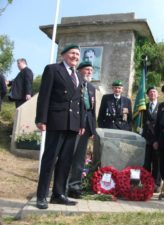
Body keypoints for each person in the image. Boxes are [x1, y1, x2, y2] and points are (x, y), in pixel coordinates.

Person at [35, 44, 85, 209]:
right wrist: (41, 119)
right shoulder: (52, 69)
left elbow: (80, 102)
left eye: (77, 54)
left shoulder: (78, 74)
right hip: (56, 121)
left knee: (65, 161)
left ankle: (58, 194)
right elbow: (44, 95)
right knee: (50, 159)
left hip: (73, 123)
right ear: (63, 54)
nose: (75, 56)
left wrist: (81, 123)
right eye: (72, 53)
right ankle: (41, 196)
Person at [68, 61, 96, 199]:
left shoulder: (91, 87)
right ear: (79, 70)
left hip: (86, 126)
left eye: (91, 70)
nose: (90, 72)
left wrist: (93, 130)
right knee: (68, 156)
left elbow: (92, 110)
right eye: (87, 69)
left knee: (80, 158)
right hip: (73, 125)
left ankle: (75, 186)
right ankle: (62, 185)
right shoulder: (74, 83)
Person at [142, 86, 161, 193]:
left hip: (156, 139)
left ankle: (156, 184)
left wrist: (157, 140)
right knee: (146, 162)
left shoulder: (161, 106)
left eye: (154, 92)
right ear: (148, 95)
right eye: (150, 92)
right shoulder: (144, 107)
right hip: (146, 139)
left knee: (157, 163)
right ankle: (146, 183)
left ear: (158, 94)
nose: (152, 94)